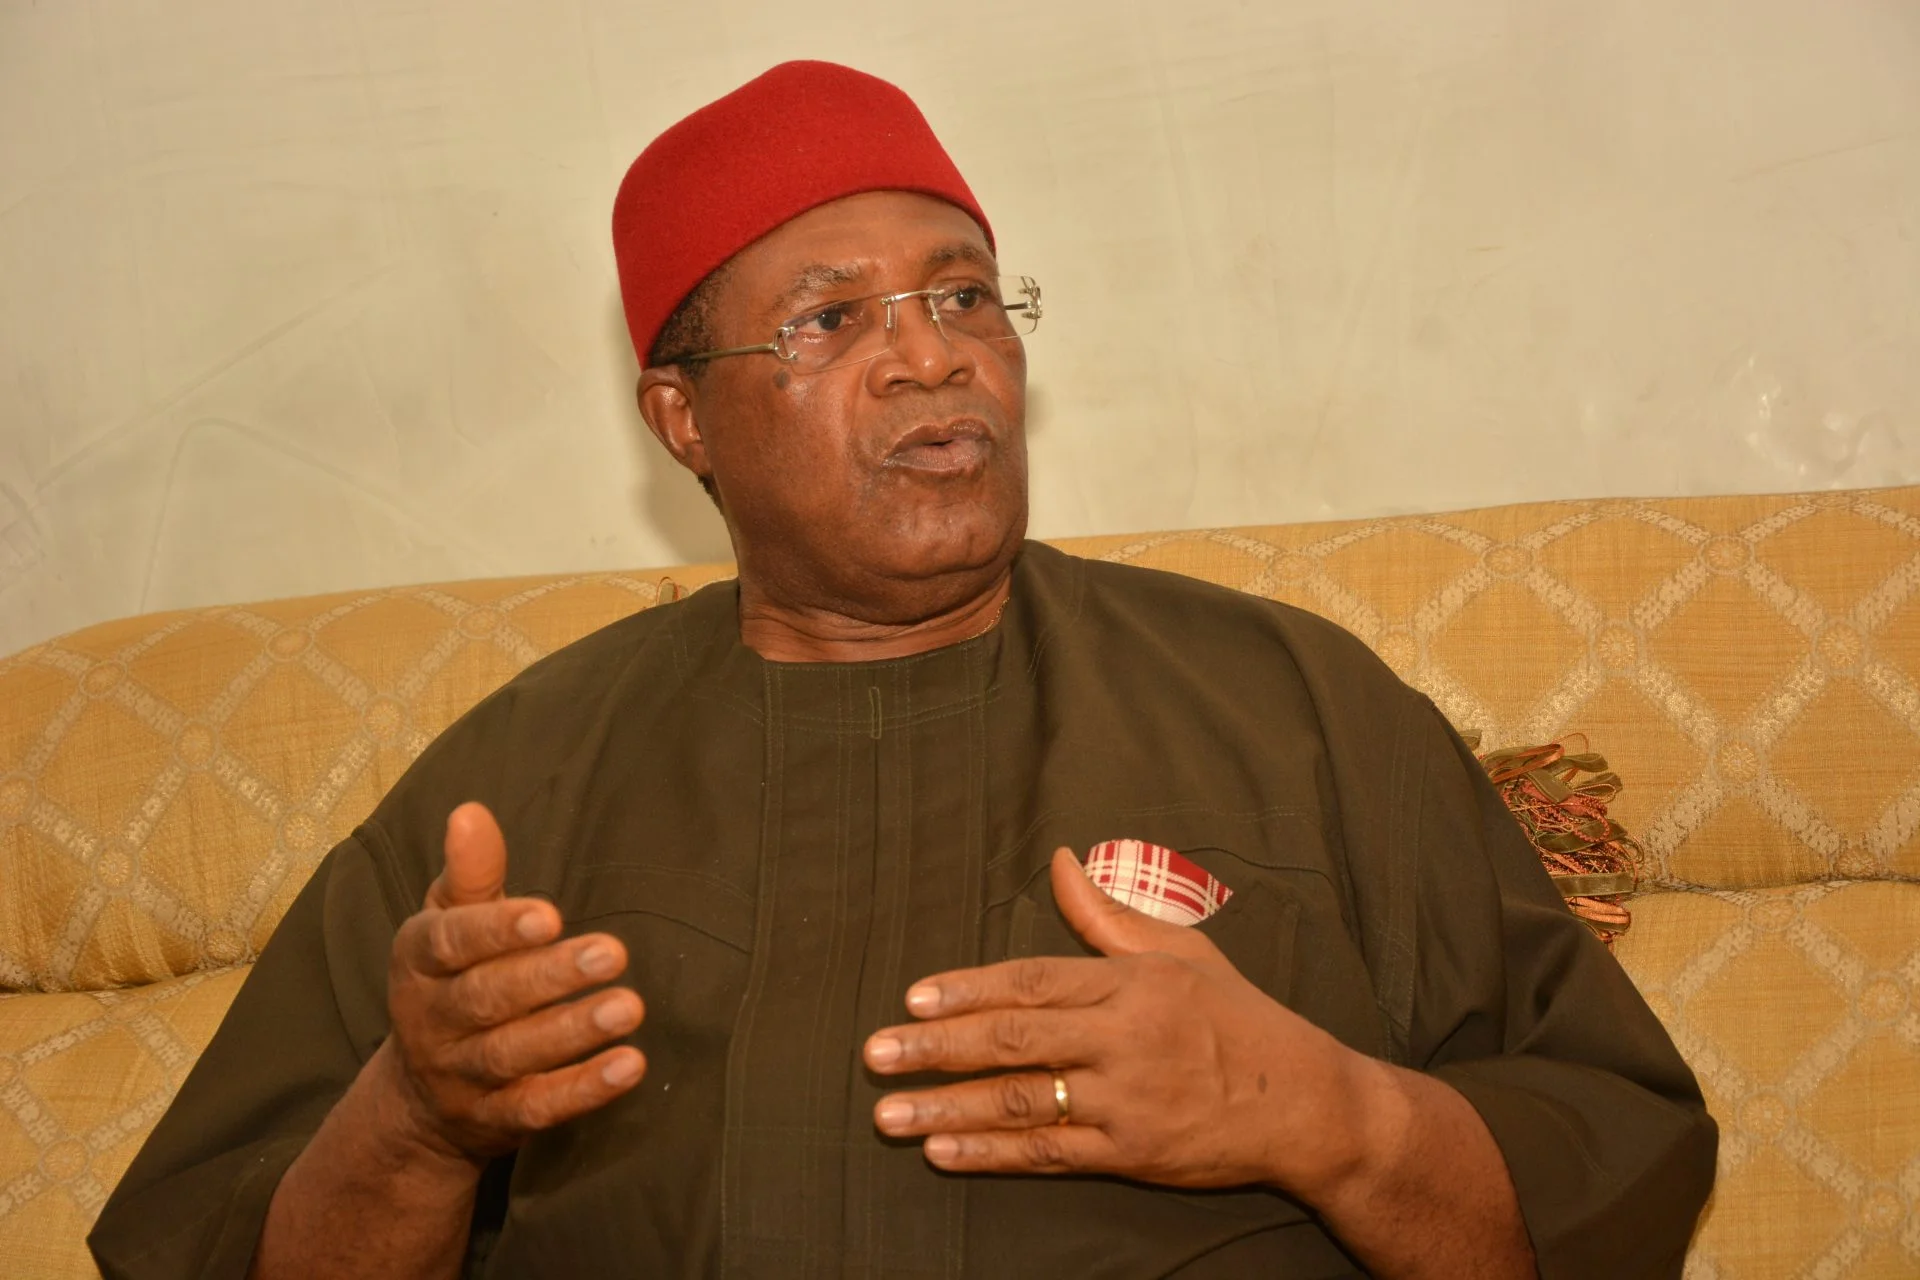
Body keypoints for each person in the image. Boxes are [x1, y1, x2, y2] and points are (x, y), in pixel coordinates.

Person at [88, 61, 1715, 1280]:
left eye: (962, 295)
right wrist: (416, 1120)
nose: (931, 353)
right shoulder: (516, 791)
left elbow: (1618, 1170)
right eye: (830, 320)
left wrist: (1327, 1115)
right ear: (683, 419)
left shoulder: (1291, 703)